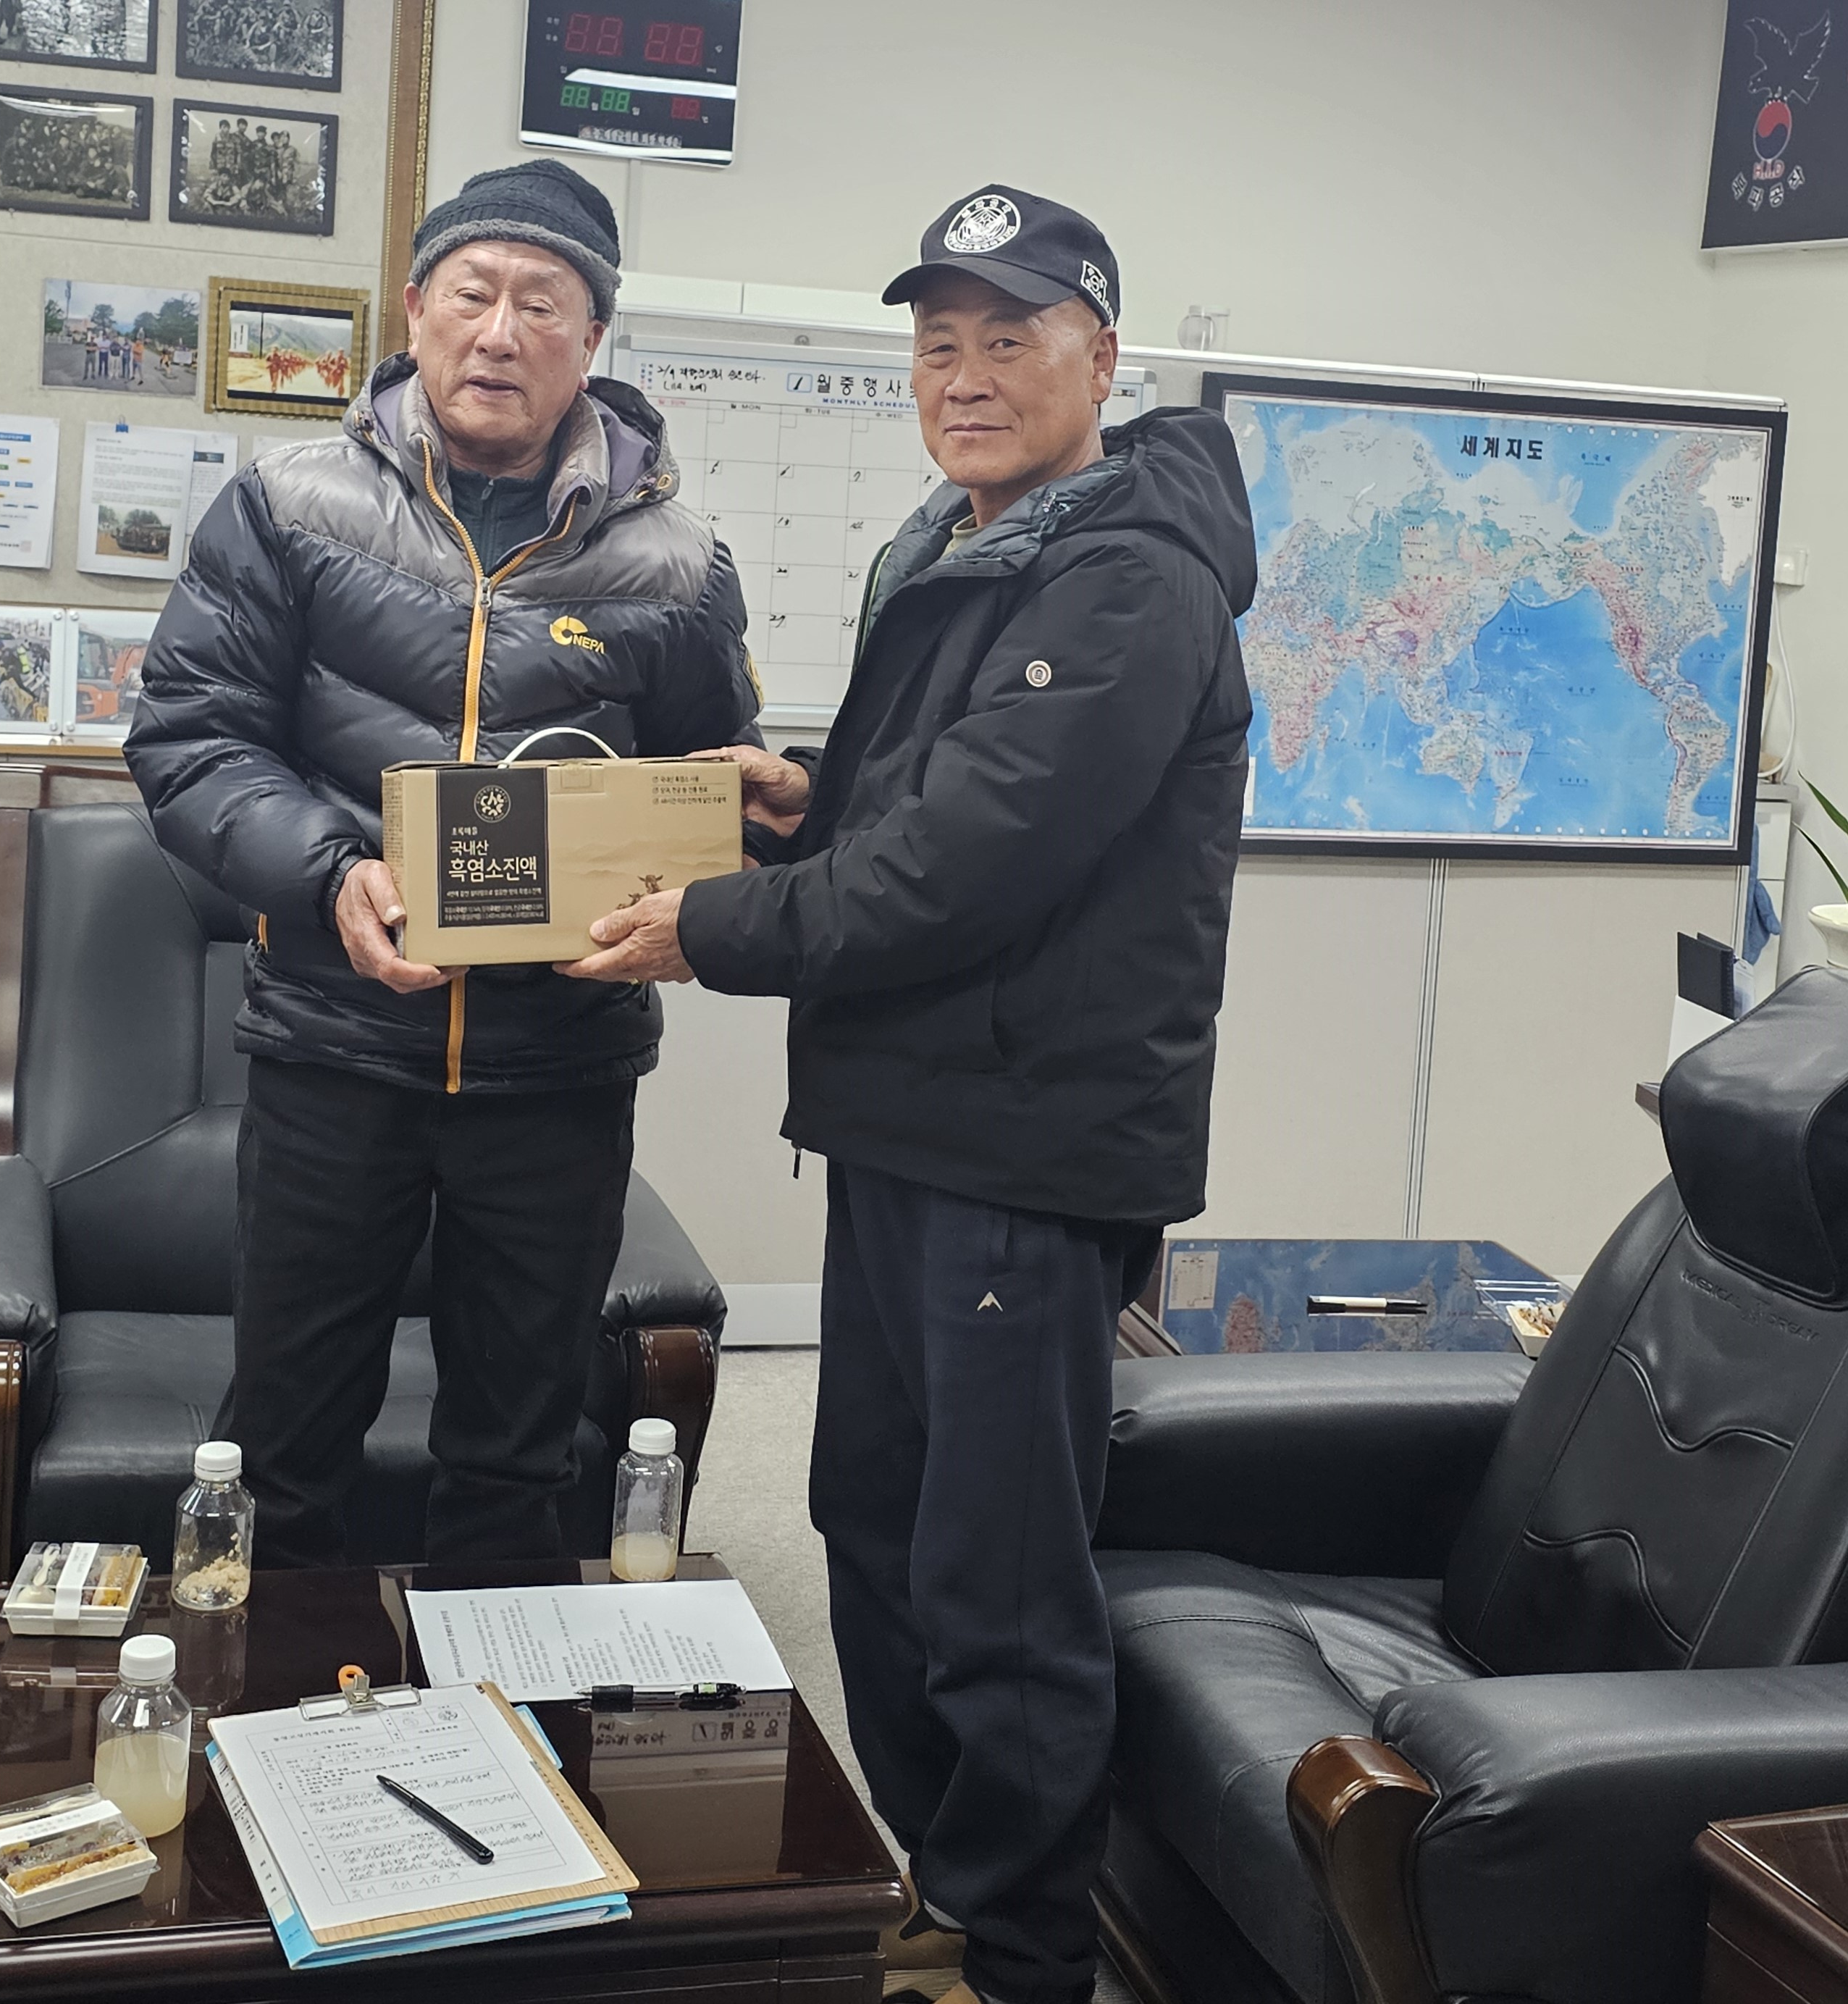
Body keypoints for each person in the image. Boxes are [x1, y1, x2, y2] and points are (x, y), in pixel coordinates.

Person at [563, 185, 1256, 2004]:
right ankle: (945, 1881)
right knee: (870, 1520)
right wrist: (812, 800)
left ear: (1102, 360)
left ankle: (1022, 1949)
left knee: (994, 1573)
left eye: (1010, 338)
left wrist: (709, 924)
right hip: (904, 1118)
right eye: (939, 343)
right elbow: (927, 804)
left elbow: (973, 860)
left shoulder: (1130, 576)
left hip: (1022, 1145)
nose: (966, 375)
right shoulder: (966, 543)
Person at [124, 159, 759, 1568]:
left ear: (594, 339)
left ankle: (497, 1701)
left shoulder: (679, 561)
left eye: (544, 304)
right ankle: (278, 1703)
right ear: (414, 309)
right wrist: (330, 872)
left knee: (521, 1452)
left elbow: (714, 781)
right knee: (284, 1439)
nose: (501, 333)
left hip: (560, 1066)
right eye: (474, 293)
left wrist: (693, 897)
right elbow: (190, 740)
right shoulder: (287, 506)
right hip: (336, 1043)